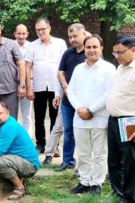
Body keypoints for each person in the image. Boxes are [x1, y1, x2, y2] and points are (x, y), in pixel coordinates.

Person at [67, 35, 116, 196]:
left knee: (100, 153)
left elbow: (108, 93)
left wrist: (91, 110)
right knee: (82, 153)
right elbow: (71, 91)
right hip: (79, 118)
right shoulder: (78, 69)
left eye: (95, 47)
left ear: (101, 48)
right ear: (85, 49)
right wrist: (80, 109)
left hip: (99, 117)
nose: (91, 50)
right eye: (88, 47)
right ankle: (85, 181)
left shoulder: (109, 68)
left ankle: (96, 183)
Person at [25, 18, 67, 154]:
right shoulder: (32, 46)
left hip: (56, 88)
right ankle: (40, 144)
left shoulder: (60, 44)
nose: (41, 32)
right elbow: (28, 67)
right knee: (39, 117)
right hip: (38, 87)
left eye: (43, 29)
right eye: (38, 30)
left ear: (49, 28)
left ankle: (54, 146)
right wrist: (29, 87)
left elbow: (64, 65)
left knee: (55, 118)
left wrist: (63, 86)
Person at [106, 35, 135, 203]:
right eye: (114, 53)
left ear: (133, 50)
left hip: (130, 121)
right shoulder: (121, 67)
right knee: (114, 159)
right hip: (114, 120)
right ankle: (117, 191)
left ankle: (130, 196)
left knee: (129, 161)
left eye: (120, 52)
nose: (116, 56)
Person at [56, 23, 88, 171]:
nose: (72, 39)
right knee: (68, 131)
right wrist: (65, 87)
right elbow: (60, 72)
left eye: (75, 36)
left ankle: (84, 163)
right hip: (68, 101)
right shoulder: (68, 53)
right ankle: (68, 161)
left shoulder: (89, 53)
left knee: (84, 132)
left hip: (84, 101)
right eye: (70, 37)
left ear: (84, 34)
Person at [14, 24, 31, 134]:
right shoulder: (10, 46)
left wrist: (26, 86)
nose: (21, 36)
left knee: (27, 115)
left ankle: (27, 140)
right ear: (15, 34)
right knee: (11, 115)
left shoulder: (31, 46)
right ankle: (12, 139)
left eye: (23, 33)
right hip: (12, 84)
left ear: (27, 34)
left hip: (27, 84)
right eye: (19, 33)